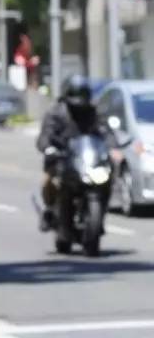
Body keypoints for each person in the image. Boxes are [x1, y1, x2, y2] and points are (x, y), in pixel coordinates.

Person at [37, 75, 109, 231]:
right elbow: (45, 135)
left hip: (86, 160)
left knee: (107, 178)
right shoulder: (56, 112)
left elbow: (105, 131)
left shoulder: (92, 112)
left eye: (82, 95)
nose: (79, 101)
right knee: (50, 181)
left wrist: (112, 147)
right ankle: (49, 210)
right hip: (62, 158)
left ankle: (100, 215)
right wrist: (48, 148)